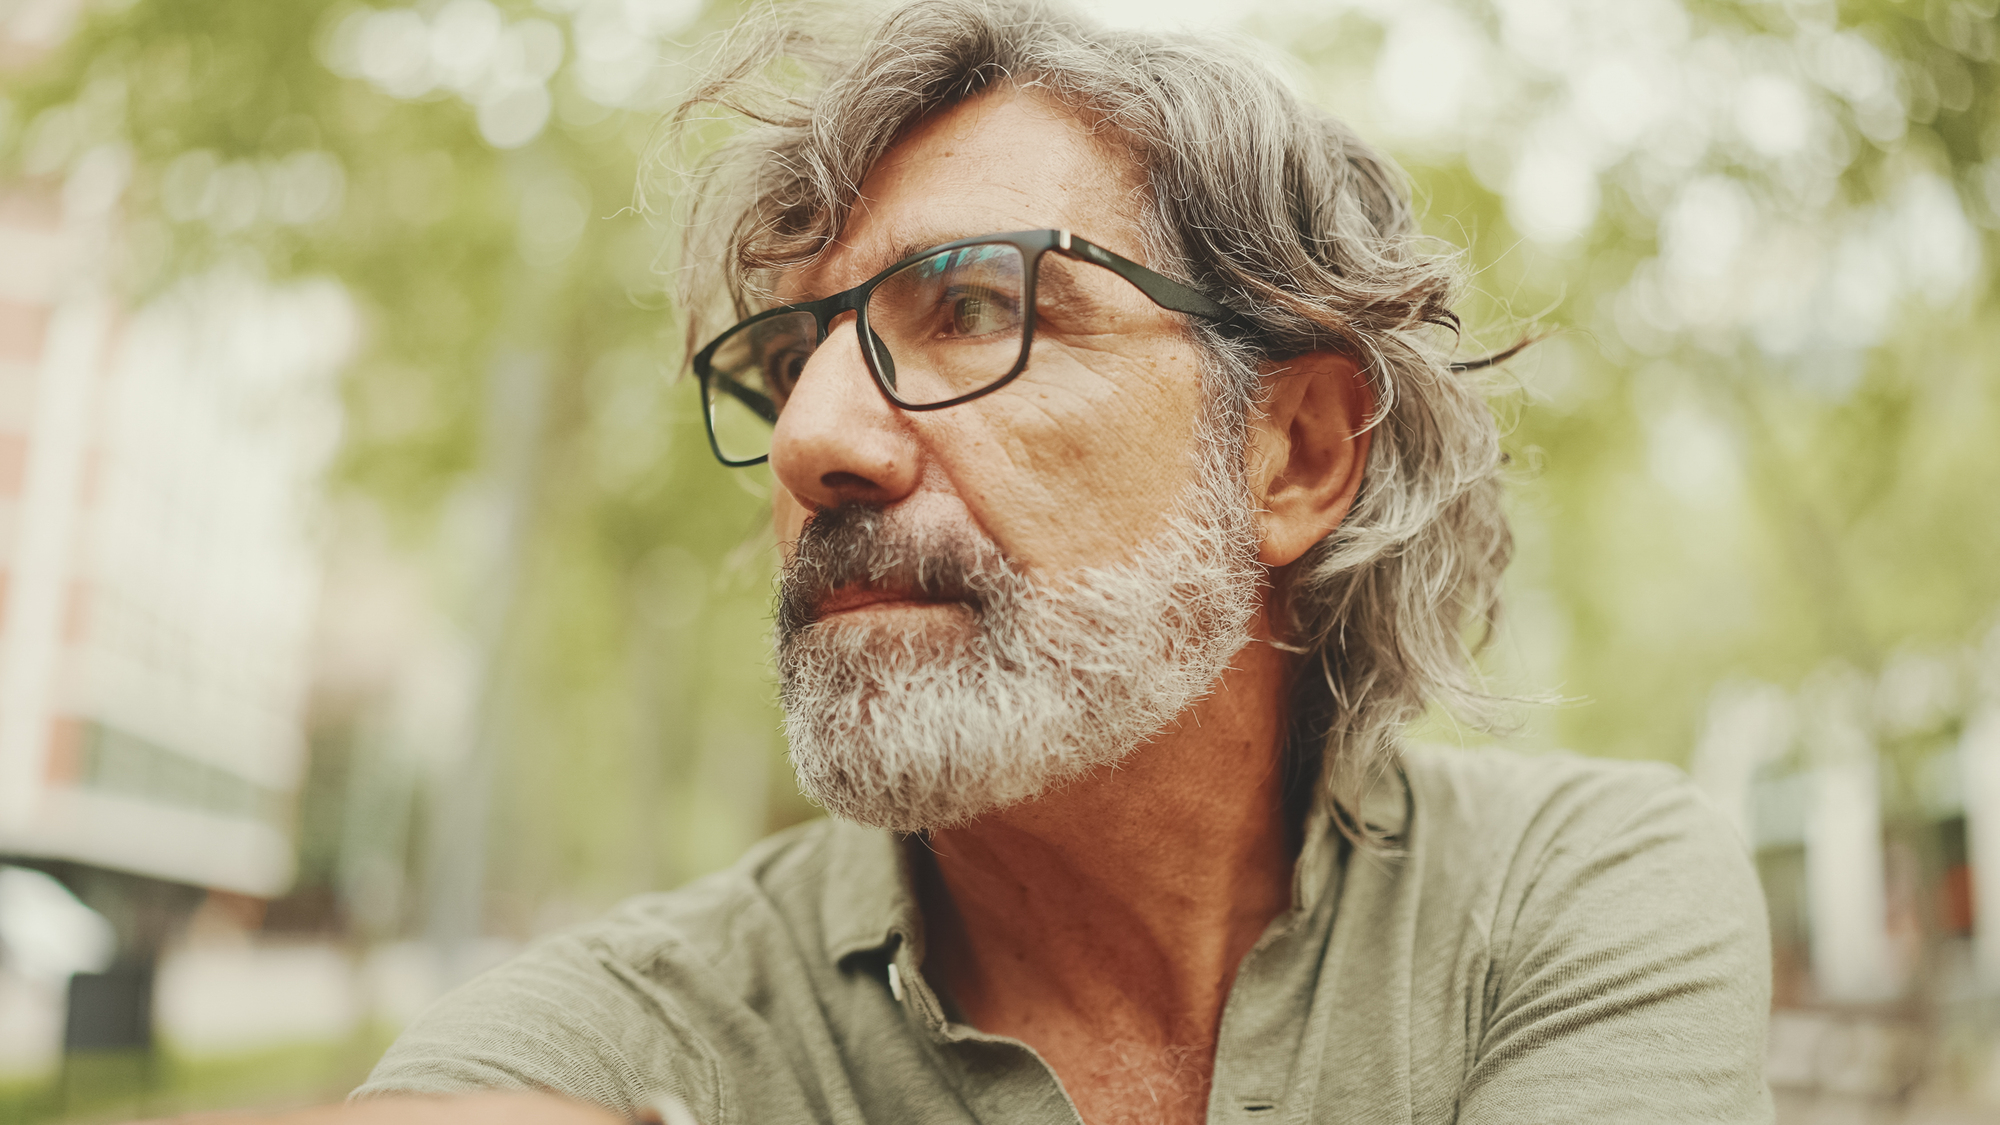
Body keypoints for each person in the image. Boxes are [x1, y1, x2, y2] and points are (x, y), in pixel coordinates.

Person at [204, 2, 1773, 1122]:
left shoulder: (1581, 898)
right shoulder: (608, 1042)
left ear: (1292, 451)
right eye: (787, 359)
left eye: (968, 308)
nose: (818, 437)